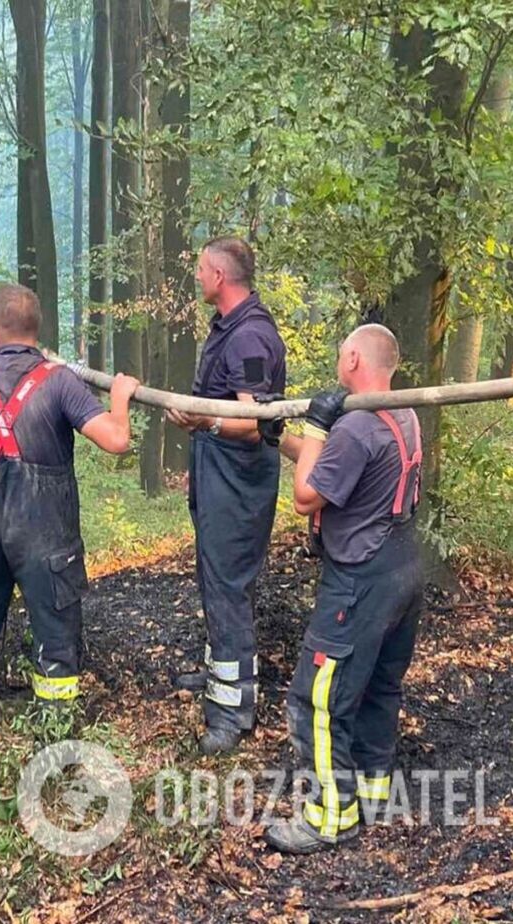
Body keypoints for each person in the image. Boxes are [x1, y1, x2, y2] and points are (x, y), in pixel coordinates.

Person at [0, 284, 139, 736]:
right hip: (42, 525)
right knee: (54, 622)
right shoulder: (60, 382)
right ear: (39, 328)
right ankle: (54, 723)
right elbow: (117, 441)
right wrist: (120, 394)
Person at [263, 325, 424, 854]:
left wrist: (315, 427)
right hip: (402, 568)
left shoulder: (356, 426)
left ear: (353, 357)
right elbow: (340, 472)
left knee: (319, 700)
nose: (338, 357)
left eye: (340, 351)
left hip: (359, 580)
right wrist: (284, 438)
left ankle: (330, 815)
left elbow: (308, 497)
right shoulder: (403, 414)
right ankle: (375, 791)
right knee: (379, 684)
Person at [163, 236, 288, 754]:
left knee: (229, 585)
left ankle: (232, 712)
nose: (197, 277)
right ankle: (223, 674)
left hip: (239, 481)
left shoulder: (250, 338)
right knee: (217, 579)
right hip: (218, 471)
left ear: (219, 276)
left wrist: (203, 420)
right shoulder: (229, 329)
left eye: (200, 270)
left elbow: (256, 423)